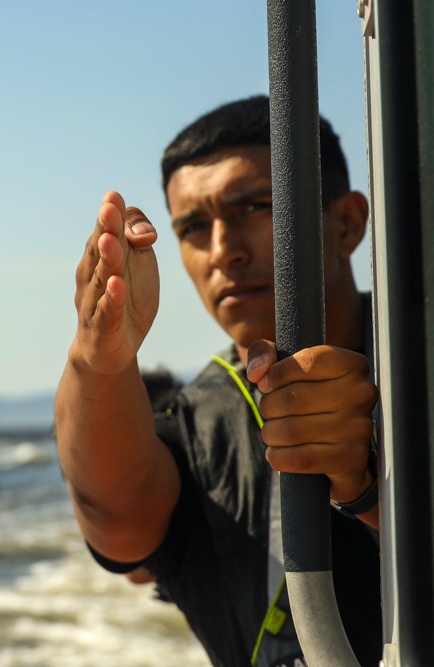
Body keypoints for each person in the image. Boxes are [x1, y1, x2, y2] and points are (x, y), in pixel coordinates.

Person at [54, 96, 382, 666]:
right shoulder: (195, 424)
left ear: (347, 222)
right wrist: (98, 360)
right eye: (194, 227)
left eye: (256, 206)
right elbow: (118, 519)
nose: (223, 251)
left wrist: (376, 484)